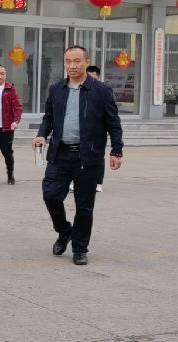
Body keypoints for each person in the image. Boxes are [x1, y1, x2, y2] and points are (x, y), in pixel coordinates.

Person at [32, 46, 124, 266]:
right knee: (51, 195)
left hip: (88, 157)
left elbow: (113, 122)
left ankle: (80, 248)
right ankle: (65, 231)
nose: (72, 66)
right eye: (68, 61)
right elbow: (49, 117)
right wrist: (42, 135)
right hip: (60, 153)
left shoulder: (101, 90)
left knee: (84, 206)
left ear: (86, 62)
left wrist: (116, 150)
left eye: (77, 61)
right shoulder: (57, 89)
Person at [83, 65, 105, 193]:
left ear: (98, 77)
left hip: (98, 130)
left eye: (93, 78)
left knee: (98, 157)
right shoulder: (80, 89)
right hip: (83, 129)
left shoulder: (103, 90)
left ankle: (97, 182)